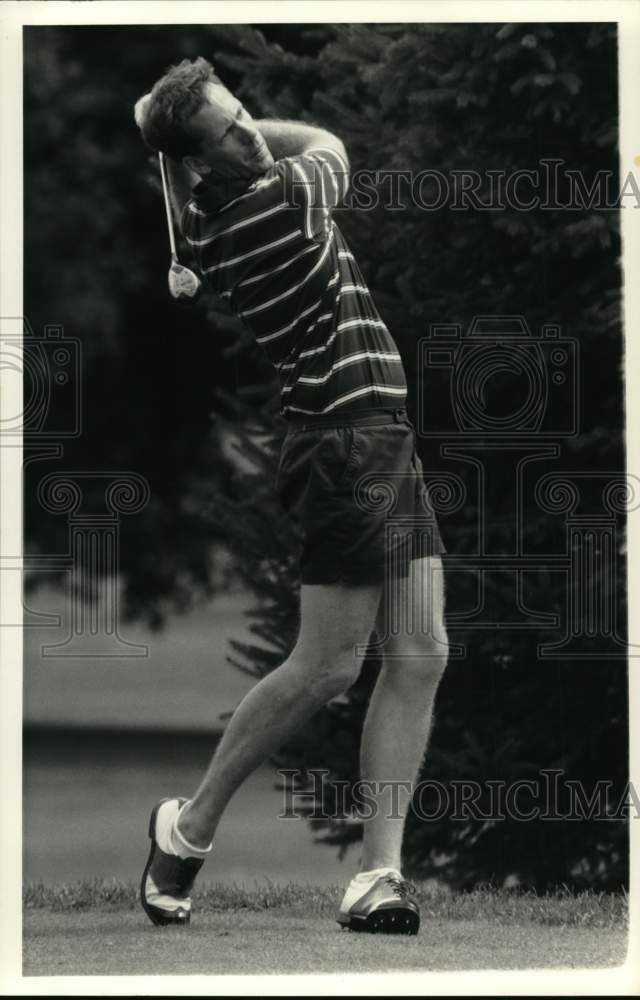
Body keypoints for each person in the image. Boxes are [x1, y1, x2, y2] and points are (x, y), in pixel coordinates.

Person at [134, 57, 448, 936]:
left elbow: (240, 153)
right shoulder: (273, 204)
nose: (246, 134)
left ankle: (376, 876)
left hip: (380, 434)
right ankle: (187, 829)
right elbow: (329, 145)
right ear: (200, 165)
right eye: (225, 133)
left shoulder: (212, 209)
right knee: (330, 665)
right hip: (346, 445)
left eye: (243, 117)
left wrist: (206, 129)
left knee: (420, 653)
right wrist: (256, 132)